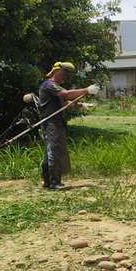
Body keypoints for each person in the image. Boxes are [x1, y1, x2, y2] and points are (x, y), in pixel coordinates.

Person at [39, 61, 99, 189]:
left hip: (56, 122)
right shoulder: (50, 84)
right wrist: (86, 90)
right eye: (64, 73)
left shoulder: (55, 87)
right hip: (51, 123)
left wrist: (81, 105)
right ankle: (54, 182)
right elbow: (66, 94)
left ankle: (47, 181)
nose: (66, 77)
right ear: (56, 71)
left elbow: (65, 102)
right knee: (54, 151)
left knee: (50, 151)